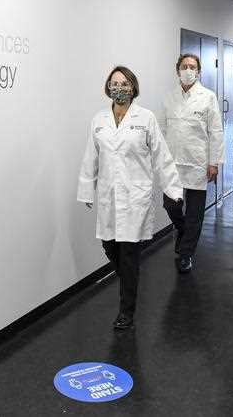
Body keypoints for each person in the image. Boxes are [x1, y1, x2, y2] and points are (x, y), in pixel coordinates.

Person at [78, 66, 184, 329]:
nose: (119, 88)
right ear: (107, 87)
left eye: (124, 83)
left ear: (133, 87)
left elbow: (162, 156)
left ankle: (126, 311)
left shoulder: (145, 118)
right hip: (108, 196)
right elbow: (91, 156)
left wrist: (173, 189)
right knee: (110, 247)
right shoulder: (99, 119)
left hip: (135, 196)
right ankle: (129, 278)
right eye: (114, 83)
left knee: (128, 254)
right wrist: (86, 189)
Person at [158, 54, 224, 274]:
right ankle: (182, 229)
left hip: (198, 163)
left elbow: (216, 132)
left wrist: (213, 163)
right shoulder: (169, 98)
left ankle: (185, 254)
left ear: (198, 72)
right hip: (173, 163)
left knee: (195, 212)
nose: (188, 70)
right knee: (170, 204)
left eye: (192, 67)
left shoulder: (208, 97)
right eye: (184, 66)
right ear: (177, 70)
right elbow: (162, 130)